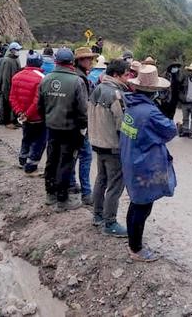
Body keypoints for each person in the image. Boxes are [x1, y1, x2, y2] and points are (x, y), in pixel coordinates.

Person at [120, 64, 177, 262]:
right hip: (144, 165)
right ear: (154, 91)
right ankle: (136, 249)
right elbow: (170, 131)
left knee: (135, 203)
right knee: (143, 206)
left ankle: (131, 241)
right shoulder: (150, 112)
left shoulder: (131, 105)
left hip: (131, 160)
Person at [38, 48, 88, 211]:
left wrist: (48, 120)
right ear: (72, 62)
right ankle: (62, 200)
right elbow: (82, 110)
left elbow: (40, 105)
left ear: (56, 61)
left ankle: (50, 194)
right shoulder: (76, 81)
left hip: (52, 127)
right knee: (66, 163)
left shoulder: (46, 79)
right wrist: (83, 128)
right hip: (70, 129)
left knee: (52, 159)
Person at [88, 59, 131, 237]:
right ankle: (110, 223)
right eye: (127, 74)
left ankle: (97, 215)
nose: (129, 78)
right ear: (116, 75)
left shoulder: (97, 89)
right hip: (113, 146)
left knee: (101, 180)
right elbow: (122, 124)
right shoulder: (116, 94)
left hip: (98, 143)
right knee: (115, 185)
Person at [69, 47, 99, 205]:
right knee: (86, 156)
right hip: (80, 125)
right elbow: (83, 106)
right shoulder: (81, 79)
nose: (91, 62)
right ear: (80, 60)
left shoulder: (74, 75)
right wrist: (85, 126)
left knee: (74, 155)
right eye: (88, 59)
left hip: (70, 124)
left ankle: (71, 183)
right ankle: (87, 193)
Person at [10, 50, 46, 176]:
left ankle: (22, 160)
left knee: (26, 137)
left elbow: (12, 97)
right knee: (39, 141)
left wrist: (20, 113)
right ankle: (31, 167)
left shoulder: (16, 76)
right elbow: (37, 101)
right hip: (37, 117)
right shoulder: (41, 78)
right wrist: (28, 114)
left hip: (24, 116)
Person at [0, 42, 22, 128]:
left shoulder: (16, 59)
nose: (18, 51)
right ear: (12, 50)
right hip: (6, 86)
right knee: (5, 104)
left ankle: (14, 120)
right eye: (17, 49)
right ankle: (6, 122)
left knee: (14, 105)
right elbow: (5, 77)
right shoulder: (7, 60)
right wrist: (6, 89)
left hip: (15, 86)